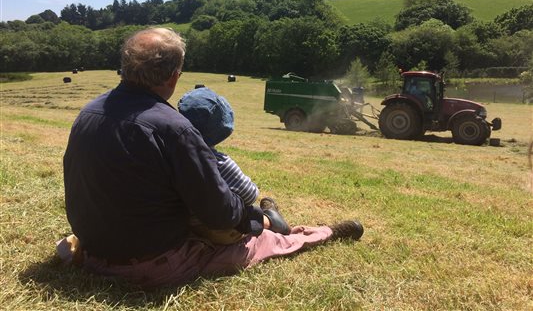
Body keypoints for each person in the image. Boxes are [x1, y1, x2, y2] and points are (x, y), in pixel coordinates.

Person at [58, 27, 364, 289]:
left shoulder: (88, 113)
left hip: (93, 251)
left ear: (124, 68)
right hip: (149, 264)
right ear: (174, 76)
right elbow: (219, 212)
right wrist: (255, 220)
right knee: (261, 243)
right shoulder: (174, 128)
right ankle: (321, 234)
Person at [177, 86, 290, 243]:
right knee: (245, 210)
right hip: (220, 232)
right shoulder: (218, 161)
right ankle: (271, 221)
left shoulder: (171, 155)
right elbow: (250, 194)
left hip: (184, 227)